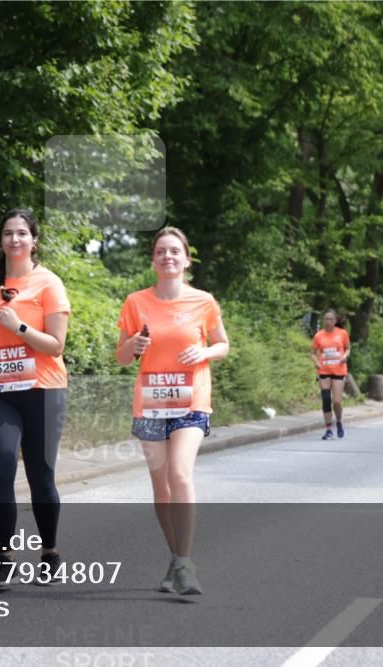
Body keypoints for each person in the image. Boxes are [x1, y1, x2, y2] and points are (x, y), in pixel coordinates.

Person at [116, 227, 229, 596]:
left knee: (180, 475)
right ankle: (177, 559)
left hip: (190, 402)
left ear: (186, 260)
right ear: (153, 260)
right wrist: (133, 343)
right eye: (161, 251)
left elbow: (223, 344)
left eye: (175, 252)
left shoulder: (203, 301)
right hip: (150, 405)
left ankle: (185, 562)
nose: (168, 257)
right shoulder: (136, 302)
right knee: (161, 490)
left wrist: (205, 352)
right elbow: (121, 358)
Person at [0, 209, 70, 588]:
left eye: (22, 233)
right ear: (0, 240)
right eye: (8, 233)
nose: (15, 239)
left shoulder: (49, 284)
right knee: (1, 468)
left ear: (34, 240)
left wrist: (21, 327)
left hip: (43, 390)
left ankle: (49, 552)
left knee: (41, 476)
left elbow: (56, 344)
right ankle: (5, 557)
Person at [310, 309, 350, 439]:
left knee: (336, 401)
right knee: (326, 400)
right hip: (324, 370)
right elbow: (312, 352)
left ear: (335, 321)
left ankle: (338, 421)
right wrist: (316, 362)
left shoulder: (342, 333)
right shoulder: (319, 335)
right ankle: (328, 429)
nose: (328, 322)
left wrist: (344, 356)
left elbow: (348, 348)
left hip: (339, 370)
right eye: (326, 319)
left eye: (331, 319)